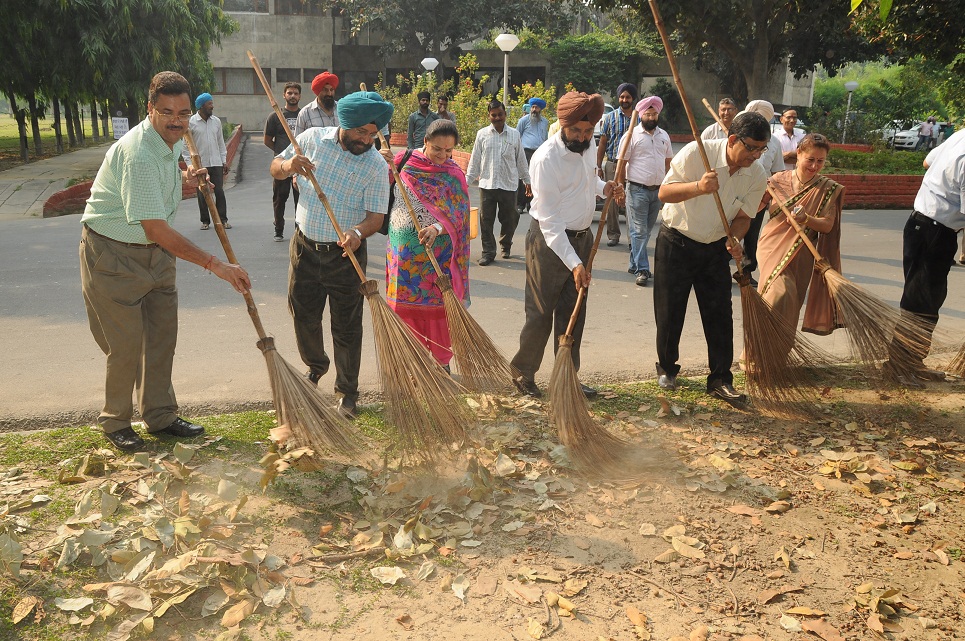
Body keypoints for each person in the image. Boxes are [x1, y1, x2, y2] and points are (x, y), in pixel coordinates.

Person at [80, 71, 251, 451]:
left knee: (161, 338)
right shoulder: (137, 152)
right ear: (150, 109)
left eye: (184, 112)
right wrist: (216, 265)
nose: (177, 120)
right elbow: (155, 227)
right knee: (126, 345)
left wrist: (188, 175)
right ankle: (116, 422)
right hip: (114, 254)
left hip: (157, 256)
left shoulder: (171, 139)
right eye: (167, 112)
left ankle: (159, 415)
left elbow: (167, 176)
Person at [270, 91, 394, 418]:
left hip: (345, 256)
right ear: (344, 123)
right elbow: (275, 168)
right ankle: (316, 365)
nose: (366, 140)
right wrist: (288, 164)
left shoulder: (375, 166)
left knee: (347, 325)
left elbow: (376, 218)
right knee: (303, 314)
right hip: (305, 248)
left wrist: (356, 233)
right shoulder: (310, 140)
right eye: (360, 132)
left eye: (371, 133)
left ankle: (347, 391)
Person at [510, 91, 625, 399]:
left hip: (583, 238)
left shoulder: (587, 148)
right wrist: (574, 263)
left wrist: (605, 188)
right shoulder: (546, 158)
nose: (583, 136)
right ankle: (523, 376)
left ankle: (567, 378)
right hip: (548, 243)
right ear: (563, 125)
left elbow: (588, 182)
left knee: (574, 311)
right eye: (576, 130)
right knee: (540, 313)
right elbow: (549, 221)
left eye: (588, 131)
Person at [653, 111, 769, 408]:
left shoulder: (757, 174)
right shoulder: (697, 153)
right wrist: (698, 188)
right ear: (732, 140)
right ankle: (667, 368)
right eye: (751, 148)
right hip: (676, 241)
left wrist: (735, 237)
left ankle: (720, 379)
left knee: (719, 315)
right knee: (670, 310)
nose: (755, 155)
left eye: (761, 149)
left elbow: (744, 217)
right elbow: (664, 193)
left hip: (715, 248)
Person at [385, 119, 470, 371]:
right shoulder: (402, 162)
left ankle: (441, 362)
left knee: (438, 308)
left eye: (448, 151)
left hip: (438, 254)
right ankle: (413, 363)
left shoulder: (453, 174)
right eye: (437, 149)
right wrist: (382, 162)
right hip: (403, 253)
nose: (443, 156)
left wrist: (436, 228)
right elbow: (380, 186)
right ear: (425, 142)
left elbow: (460, 214)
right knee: (405, 307)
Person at [884, 125, 965, 387]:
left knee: (931, 301)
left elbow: (926, 160)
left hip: (932, 228)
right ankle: (897, 367)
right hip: (932, 231)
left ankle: (914, 361)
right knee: (918, 303)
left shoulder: (960, 135)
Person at [752, 134, 845, 361]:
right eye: (810, 159)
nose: (814, 166)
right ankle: (756, 354)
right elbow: (753, 210)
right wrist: (758, 195)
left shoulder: (828, 188)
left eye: (820, 161)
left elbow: (827, 225)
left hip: (803, 252)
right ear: (799, 155)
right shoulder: (776, 180)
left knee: (792, 303)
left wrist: (807, 219)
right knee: (779, 294)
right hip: (772, 246)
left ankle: (776, 358)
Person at [615, 95, 673, 286]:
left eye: (654, 114)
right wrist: (621, 188)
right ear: (641, 115)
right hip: (637, 189)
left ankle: (633, 263)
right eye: (647, 114)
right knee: (639, 231)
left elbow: (668, 163)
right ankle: (642, 269)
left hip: (657, 191)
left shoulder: (664, 136)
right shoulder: (631, 135)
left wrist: (669, 186)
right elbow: (621, 162)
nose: (651, 117)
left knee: (646, 231)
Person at [466, 99, 531, 265]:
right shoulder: (482, 135)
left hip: (509, 185)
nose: (497, 118)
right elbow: (475, 160)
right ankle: (488, 252)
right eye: (493, 115)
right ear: (489, 116)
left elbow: (521, 160)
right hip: (487, 185)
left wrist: (527, 181)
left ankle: (506, 244)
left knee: (510, 218)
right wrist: (465, 183)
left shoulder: (514, 134)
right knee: (485, 220)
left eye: (500, 114)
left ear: (505, 115)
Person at [737, 100, 786, 283]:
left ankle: (746, 270)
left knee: (751, 234)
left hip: (758, 195)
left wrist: (776, 198)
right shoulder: (736, 136)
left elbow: (777, 173)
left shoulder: (774, 143)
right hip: (733, 191)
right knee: (725, 231)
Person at [596, 83, 638, 246]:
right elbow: (603, 144)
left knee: (632, 200)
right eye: (621, 97)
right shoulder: (609, 118)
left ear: (633, 99)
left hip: (634, 166)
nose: (624, 100)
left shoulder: (640, 118)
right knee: (612, 200)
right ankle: (613, 235)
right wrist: (599, 166)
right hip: (613, 164)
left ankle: (632, 238)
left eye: (627, 97)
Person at [184, 93, 229, 230]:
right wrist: (190, 166)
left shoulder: (216, 121)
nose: (212, 106)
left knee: (219, 192)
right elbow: (185, 148)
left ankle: (223, 220)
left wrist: (224, 161)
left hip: (216, 163)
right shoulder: (191, 123)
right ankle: (205, 221)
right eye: (209, 104)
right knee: (202, 193)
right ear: (202, 106)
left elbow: (221, 143)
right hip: (200, 165)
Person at [264, 81, 301, 241]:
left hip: (300, 165)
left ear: (299, 96)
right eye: (289, 93)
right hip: (281, 166)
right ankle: (278, 230)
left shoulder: (303, 115)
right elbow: (267, 140)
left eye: (295, 93)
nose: (292, 96)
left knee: (301, 200)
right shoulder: (275, 116)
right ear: (284, 95)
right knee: (280, 198)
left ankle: (300, 231)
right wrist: (281, 153)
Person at [516, 97, 550, 214]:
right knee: (523, 178)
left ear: (540, 109)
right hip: (525, 152)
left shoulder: (545, 122)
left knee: (535, 178)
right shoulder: (524, 120)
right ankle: (520, 204)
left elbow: (545, 138)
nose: (534, 109)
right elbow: (517, 136)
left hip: (538, 153)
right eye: (533, 107)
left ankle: (531, 204)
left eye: (536, 107)